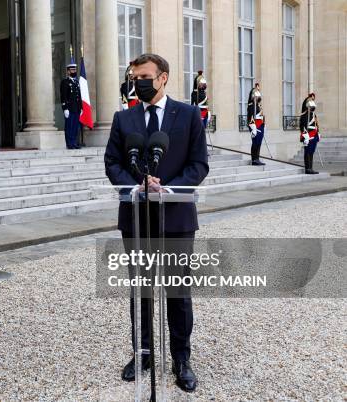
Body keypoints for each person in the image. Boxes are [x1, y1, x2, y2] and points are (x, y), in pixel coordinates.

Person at [104, 53, 208, 392]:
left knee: (178, 292)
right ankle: (144, 352)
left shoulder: (189, 115)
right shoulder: (124, 118)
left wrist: (169, 187)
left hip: (176, 217)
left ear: (163, 78)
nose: (138, 83)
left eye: (145, 76)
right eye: (134, 77)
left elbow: (198, 164)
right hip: (136, 217)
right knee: (141, 290)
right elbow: (112, 162)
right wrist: (135, 185)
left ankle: (181, 357)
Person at [60, 56, 82, 149]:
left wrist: (81, 108)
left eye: (75, 70)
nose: (74, 71)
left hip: (76, 108)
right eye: (72, 70)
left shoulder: (76, 82)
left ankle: (74, 142)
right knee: (69, 126)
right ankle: (69, 143)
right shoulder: (65, 82)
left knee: (75, 127)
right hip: (69, 108)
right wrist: (65, 108)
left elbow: (79, 96)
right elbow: (64, 96)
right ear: (68, 71)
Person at [299, 93, 320, 174]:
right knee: (307, 152)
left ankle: (311, 167)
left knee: (311, 152)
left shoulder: (314, 115)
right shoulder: (304, 115)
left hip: (314, 134)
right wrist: (305, 135)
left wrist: (318, 132)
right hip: (307, 135)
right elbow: (301, 126)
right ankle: (307, 168)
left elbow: (316, 125)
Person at [247, 83, 265, 166]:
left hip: (260, 125)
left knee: (259, 142)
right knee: (255, 142)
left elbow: (261, 116)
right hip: (254, 125)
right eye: (256, 96)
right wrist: (253, 128)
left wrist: (263, 125)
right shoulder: (251, 106)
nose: (257, 97)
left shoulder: (258, 105)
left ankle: (257, 158)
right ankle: (254, 159)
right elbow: (250, 118)